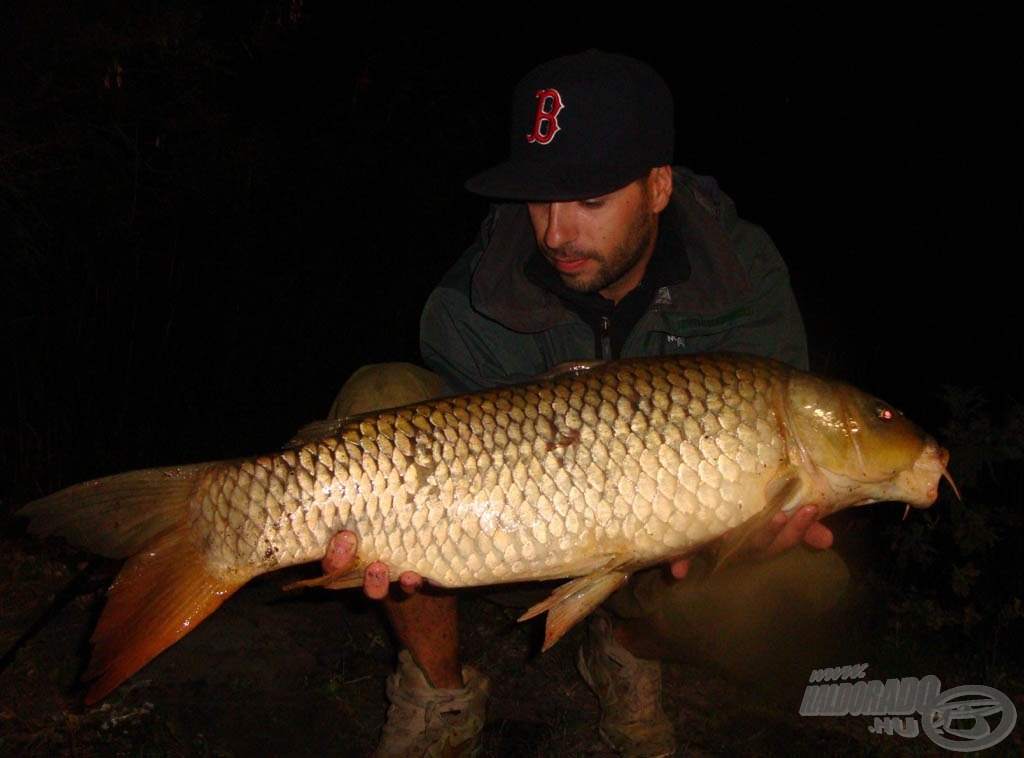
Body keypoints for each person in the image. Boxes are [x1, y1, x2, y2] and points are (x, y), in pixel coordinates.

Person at [319, 49, 841, 757]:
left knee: (805, 584)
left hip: (664, 552)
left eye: (589, 200)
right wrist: (402, 531)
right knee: (380, 402)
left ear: (658, 187)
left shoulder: (740, 273)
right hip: (504, 538)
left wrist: (744, 536)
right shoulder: (475, 296)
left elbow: (783, 427)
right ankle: (440, 692)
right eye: (539, 197)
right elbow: (457, 464)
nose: (556, 232)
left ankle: (623, 645)